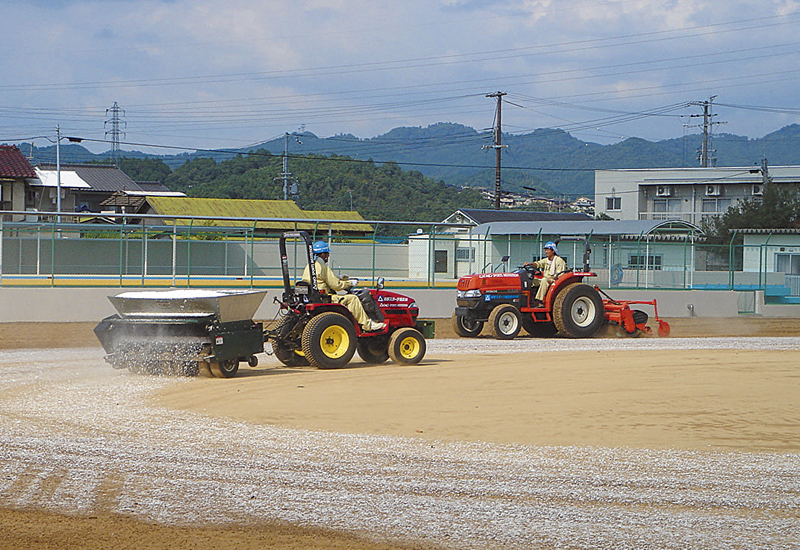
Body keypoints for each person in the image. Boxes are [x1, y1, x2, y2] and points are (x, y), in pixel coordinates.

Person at [302, 241, 386, 332]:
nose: (328, 257)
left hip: (313, 297)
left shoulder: (309, 267)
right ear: (323, 254)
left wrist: (339, 278)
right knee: (352, 299)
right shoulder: (323, 267)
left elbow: (322, 279)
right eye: (327, 254)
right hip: (325, 298)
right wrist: (350, 283)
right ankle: (367, 325)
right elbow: (336, 286)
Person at [525, 241, 568, 307]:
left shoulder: (559, 261)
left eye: (548, 250)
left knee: (544, 280)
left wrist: (550, 278)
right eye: (545, 250)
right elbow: (539, 263)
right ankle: (529, 301)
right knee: (531, 281)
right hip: (546, 279)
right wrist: (530, 264)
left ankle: (540, 301)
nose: (546, 252)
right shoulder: (546, 260)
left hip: (554, 280)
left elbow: (560, 275)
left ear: (553, 251)